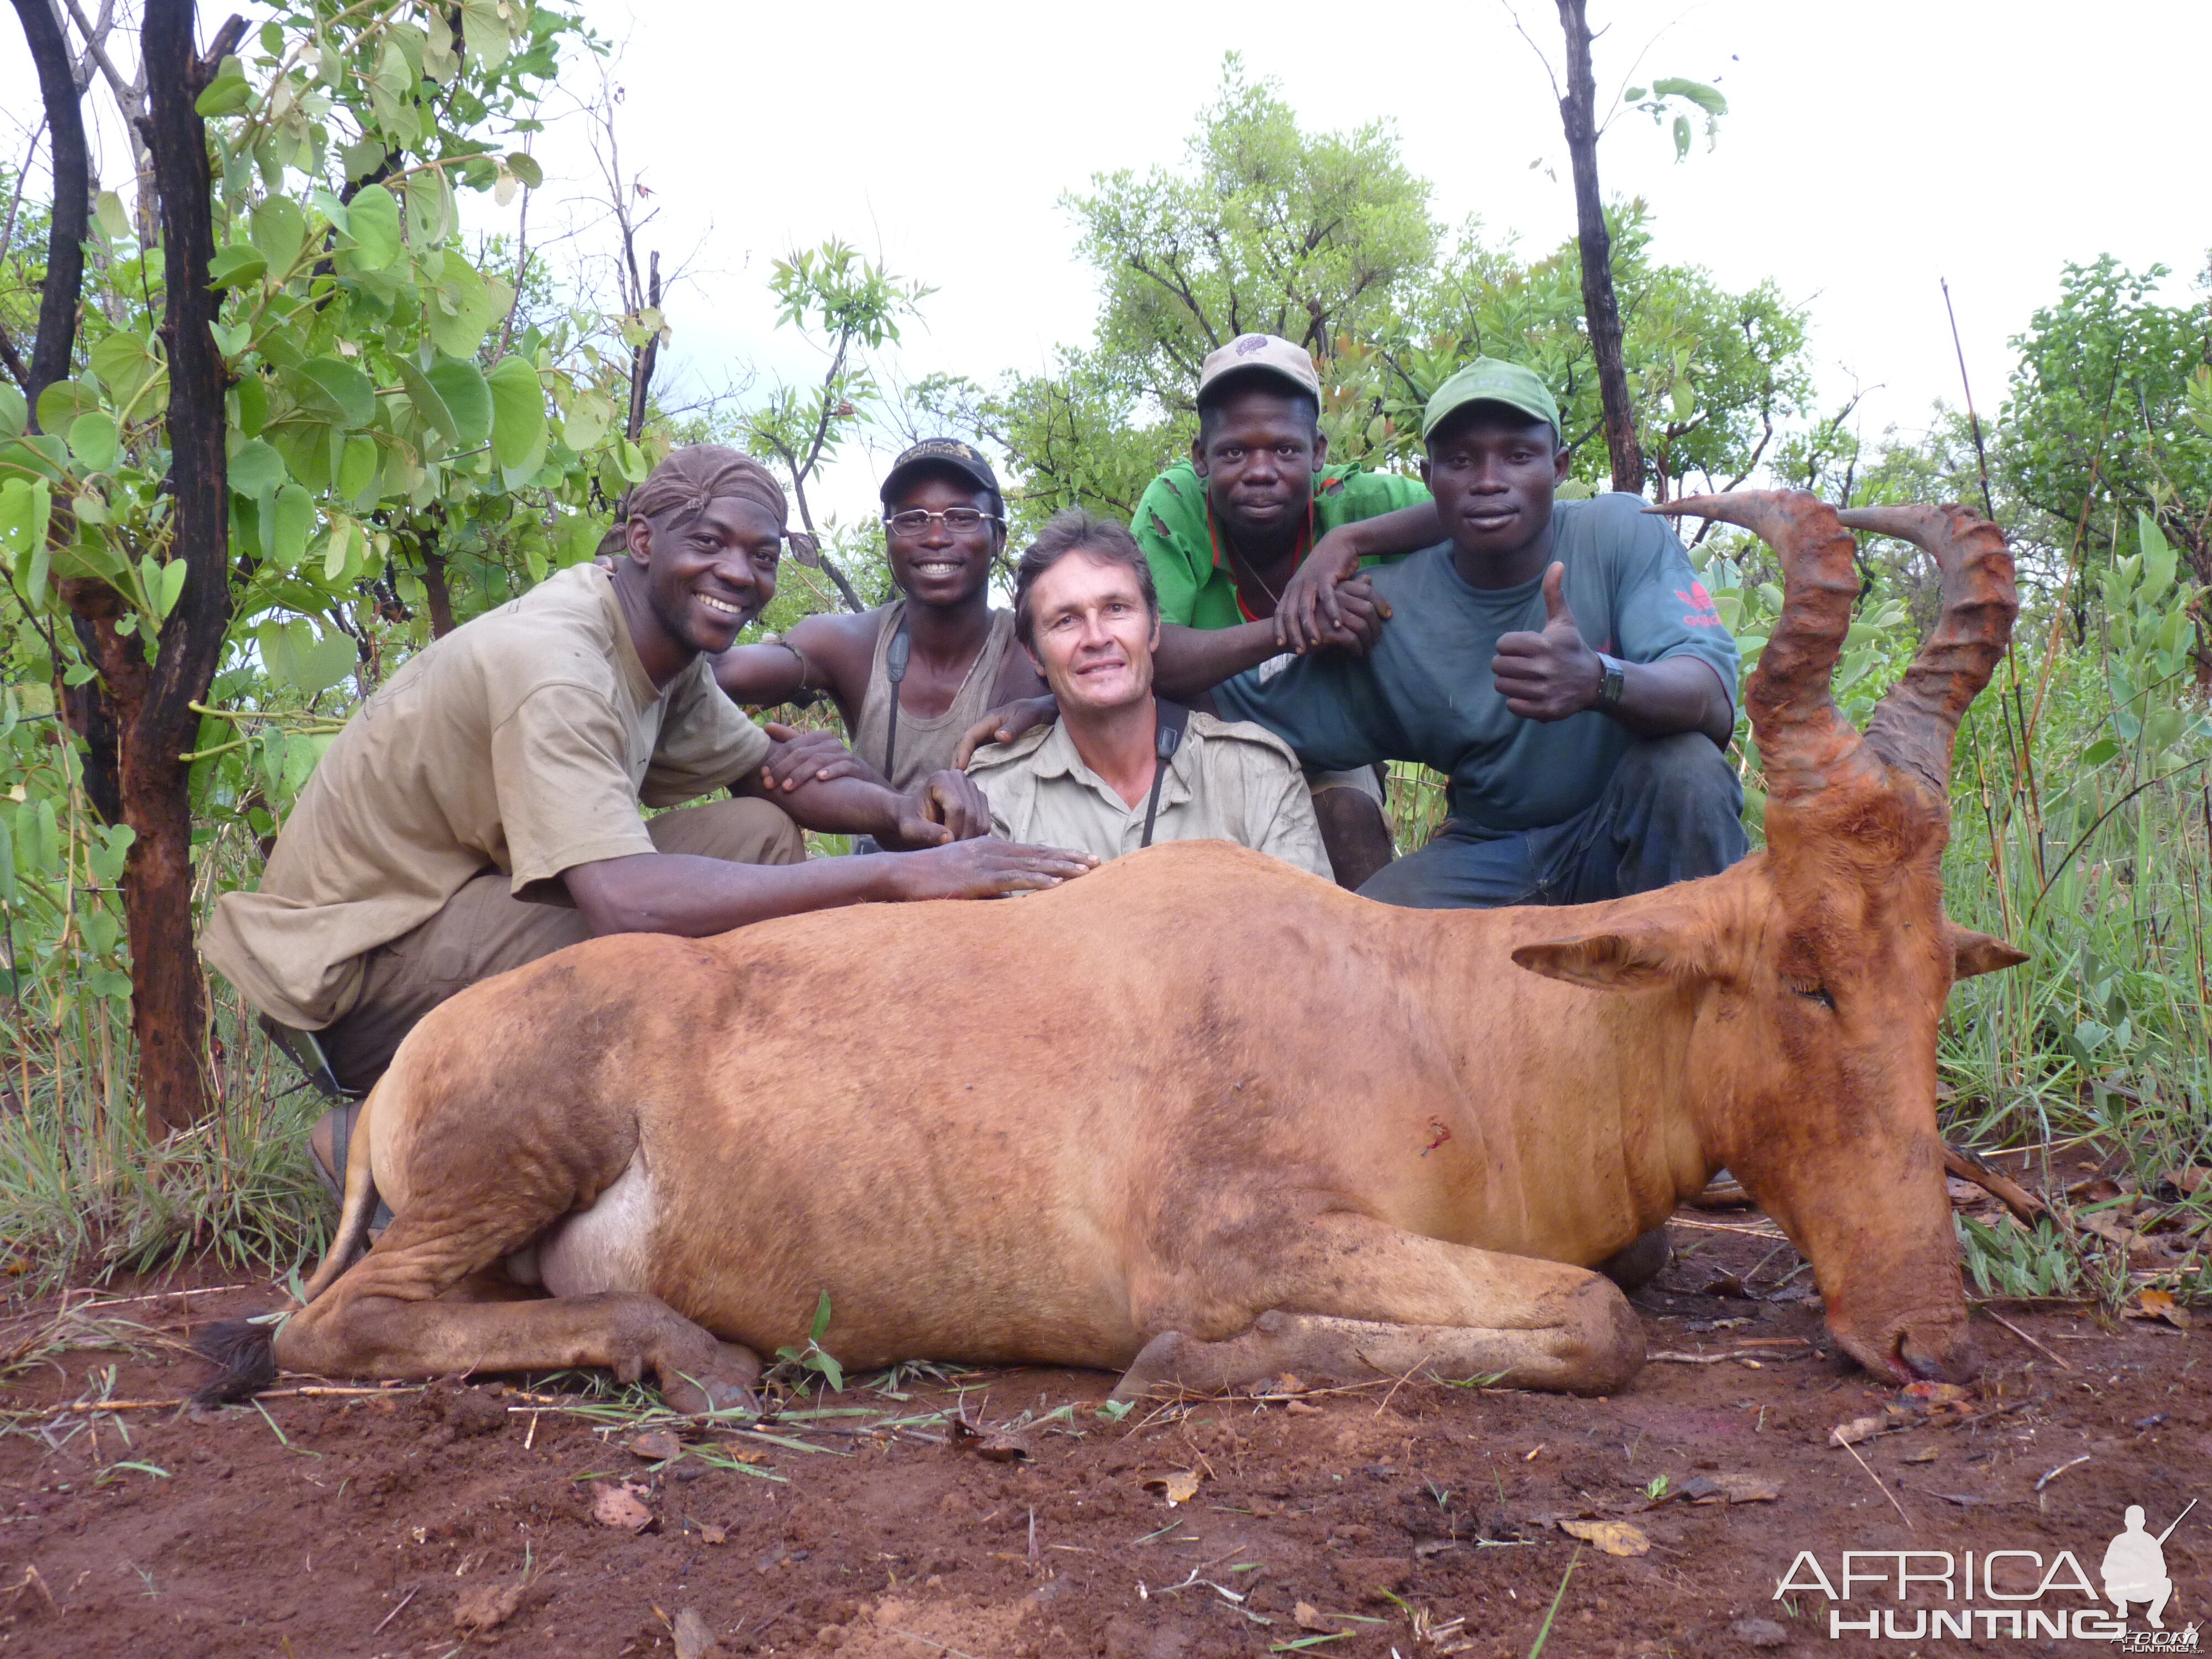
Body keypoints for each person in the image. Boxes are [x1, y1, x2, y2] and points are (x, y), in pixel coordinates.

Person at [203, 446, 1095, 1173]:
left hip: (458, 915)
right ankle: (394, 1146)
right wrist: (900, 875)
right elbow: (625, 902)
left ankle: (686, 1137)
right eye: (709, 543)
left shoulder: (664, 655)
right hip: (359, 974)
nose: (737, 575)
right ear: (640, 539)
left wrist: (903, 814)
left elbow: (771, 783)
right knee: (659, 938)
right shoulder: (558, 666)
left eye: (761, 556)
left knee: (758, 835)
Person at [1209, 357, 1746, 910]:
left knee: (1688, 771)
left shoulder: (1619, 533)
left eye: (1518, 456)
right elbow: (1235, 703)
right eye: (1460, 461)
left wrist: (1599, 681)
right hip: (1489, 850)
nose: (1489, 482)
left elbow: (1710, 699)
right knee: (1361, 935)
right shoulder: (1388, 605)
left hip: (1623, 828)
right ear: (1428, 478)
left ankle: (1713, 984)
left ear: (1558, 467)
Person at [959, 335, 1436, 889]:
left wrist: (1347, 543)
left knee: (1349, 819)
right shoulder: (1176, 504)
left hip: (1325, 737)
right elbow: (1153, 649)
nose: (1260, 470)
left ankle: (1367, 960)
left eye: (1285, 450)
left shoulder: (1357, 500)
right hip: (1203, 731)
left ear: (1319, 452)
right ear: (1200, 457)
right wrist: (1294, 626)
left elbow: (1475, 505)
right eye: (1235, 452)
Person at [966, 510, 1331, 880]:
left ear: (1154, 627)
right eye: (1066, 620)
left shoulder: (1254, 774)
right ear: (1034, 655)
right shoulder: (994, 795)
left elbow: (1311, 933)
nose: (1096, 638)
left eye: (1117, 609)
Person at [713, 439, 1045, 794]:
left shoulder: (1036, 650)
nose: (935, 537)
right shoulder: (850, 644)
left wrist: (1051, 706)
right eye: (912, 520)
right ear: (889, 536)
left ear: (999, 538)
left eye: (962, 518)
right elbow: (713, 672)